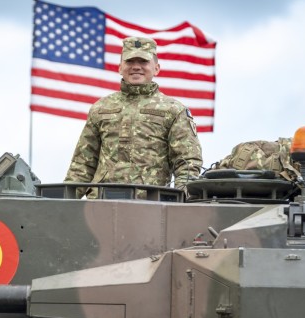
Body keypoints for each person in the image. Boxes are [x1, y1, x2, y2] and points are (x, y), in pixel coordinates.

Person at [64, 36, 203, 197]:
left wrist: (181, 200)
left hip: (150, 204)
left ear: (156, 68)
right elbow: (82, 164)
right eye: (130, 62)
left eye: (143, 62)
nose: (136, 67)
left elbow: (187, 163)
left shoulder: (173, 110)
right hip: (100, 204)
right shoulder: (100, 108)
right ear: (120, 67)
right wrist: (63, 205)